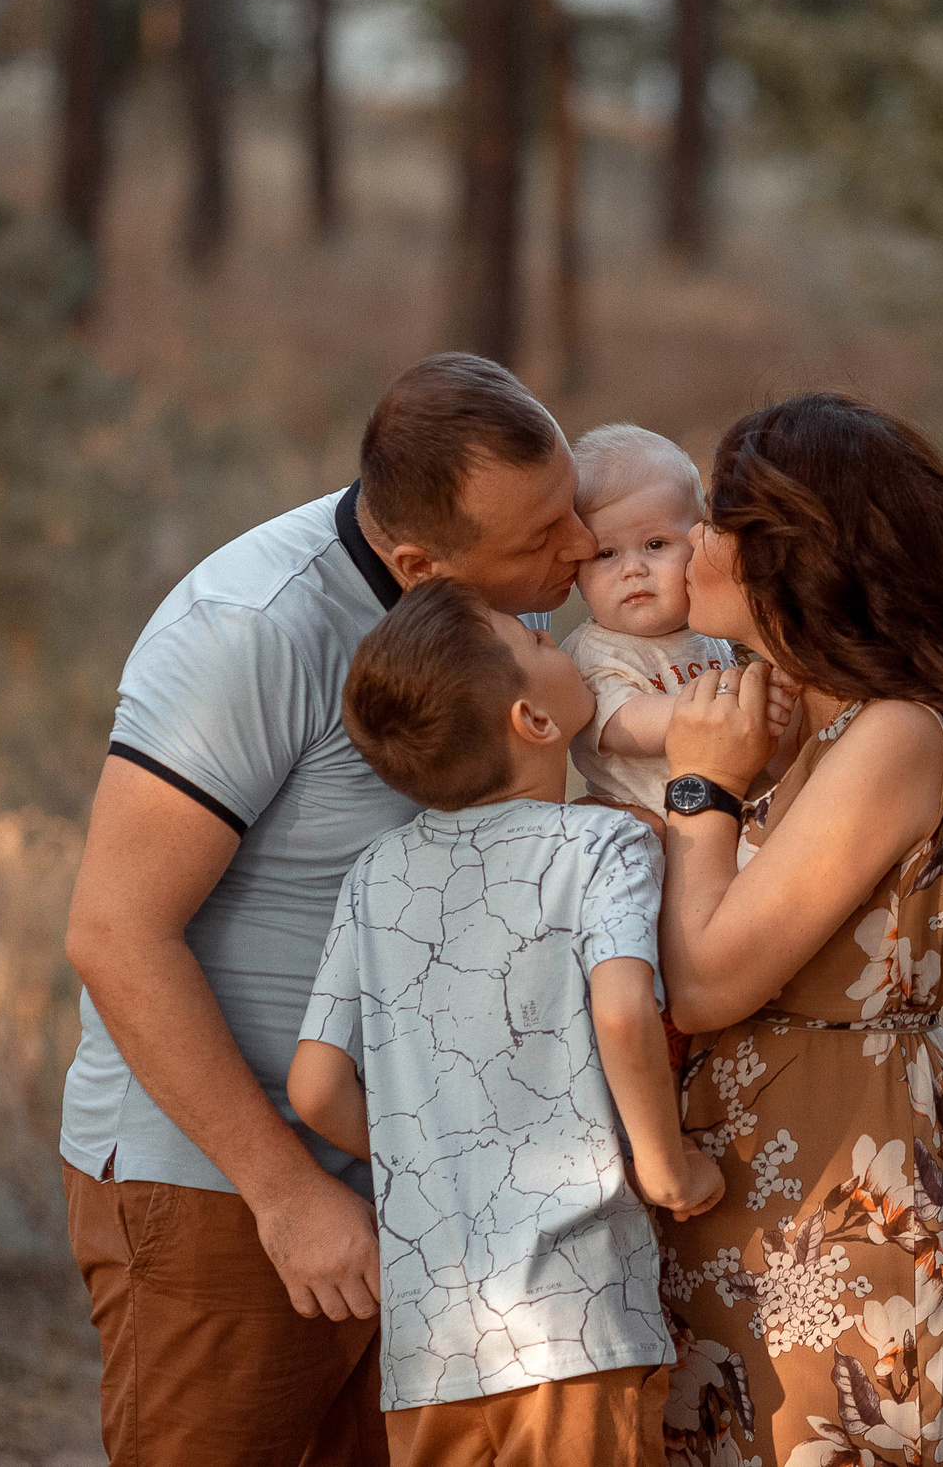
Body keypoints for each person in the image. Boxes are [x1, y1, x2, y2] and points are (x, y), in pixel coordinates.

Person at [58, 353, 595, 1467]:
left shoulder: (510, 638)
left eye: (573, 510)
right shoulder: (252, 632)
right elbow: (115, 931)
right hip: (227, 1185)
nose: (580, 547)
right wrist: (285, 1193)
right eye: (542, 537)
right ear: (418, 564)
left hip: (406, 1180)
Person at [650, 394, 943, 1467]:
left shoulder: (891, 735)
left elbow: (705, 981)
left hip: (834, 1190)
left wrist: (701, 787)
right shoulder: (815, 727)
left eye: (713, 520)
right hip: (758, 1178)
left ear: (790, 553)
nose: (690, 542)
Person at [287, 578, 724, 1467]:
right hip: (576, 1318)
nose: (562, 643)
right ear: (533, 719)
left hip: (433, 1340)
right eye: (540, 645)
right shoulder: (603, 844)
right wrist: (665, 1165)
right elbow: (621, 1008)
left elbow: (315, 1087)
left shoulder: (376, 874)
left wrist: (432, 1150)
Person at [560, 425, 739, 817]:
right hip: (653, 828)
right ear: (575, 573)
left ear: (696, 542)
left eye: (655, 545)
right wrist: (722, 707)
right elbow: (622, 725)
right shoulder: (591, 651)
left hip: (730, 807)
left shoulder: (713, 631)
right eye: (606, 554)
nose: (633, 569)